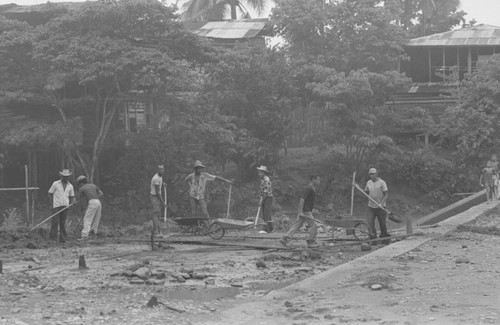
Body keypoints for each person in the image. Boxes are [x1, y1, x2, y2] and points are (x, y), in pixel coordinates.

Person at [280, 175, 321, 248]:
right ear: (313, 179)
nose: (319, 182)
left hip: (306, 210)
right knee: (313, 226)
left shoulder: (311, 189)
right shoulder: (309, 188)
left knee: (297, 225)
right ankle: (311, 241)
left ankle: (285, 239)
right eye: (318, 180)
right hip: (306, 211)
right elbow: (302, 199)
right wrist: (301, 211)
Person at [48, 169, 75, 243]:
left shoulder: (70, 186)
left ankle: (63, 239)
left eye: (67, 177)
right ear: (62, 176)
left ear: (69, 177)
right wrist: (52, 204)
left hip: (65, 206)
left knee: (62, 223)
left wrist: (73, 202)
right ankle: (52, 239)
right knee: (55, 222)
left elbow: (72, 196)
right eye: (64, 176)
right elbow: (50, 193)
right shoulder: (56, 184)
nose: (66, 178)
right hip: (56, 206)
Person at [364, 168, 390, 245]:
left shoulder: (382, 182)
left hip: (381, 207)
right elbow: (366, 191)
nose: (371, 176)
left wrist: (381, 203)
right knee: (370, 223)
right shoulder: (368, 182)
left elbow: (386, 194)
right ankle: (373, 239)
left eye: (373, 174)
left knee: (382, 223)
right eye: (370, 174)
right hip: (371, 206)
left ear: (376, 174)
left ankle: (385, 239)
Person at [76, 175, 103, 240]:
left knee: (87, 219)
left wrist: (83, 210)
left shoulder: (81, 189)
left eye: (79, 184)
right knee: (96, 219)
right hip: (98, 202)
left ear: (81, 183)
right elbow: (101, 193)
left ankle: (84, 236)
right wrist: (93, 196)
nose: (79, 185)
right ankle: (93, 234)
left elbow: (81, 200)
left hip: (92, 202)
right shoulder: (93, 185)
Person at [257, 165, 274, 233]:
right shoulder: (262, 180)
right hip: (264, 196)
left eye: (260, 173)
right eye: (258, 172)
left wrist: (261, 201)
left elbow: (266, 192)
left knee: (266, 213)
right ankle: (270, 228)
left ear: (264, 173)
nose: (259, 174)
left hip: (267, 197)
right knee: (266, 213)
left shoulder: (266, 180)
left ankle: (266, 229)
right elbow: (262, 190)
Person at [151, 165, 166, 237]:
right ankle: (155, 232)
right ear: (157, 170)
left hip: (157, 197)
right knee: (155, 214)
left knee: (158, 214)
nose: (161, 171)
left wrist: (163, 184)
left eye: (162, 169)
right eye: (160, 169)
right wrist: (163, 202)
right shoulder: (156, 178)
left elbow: (159, 184)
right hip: (155, 197)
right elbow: (157, 192)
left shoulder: (160, 177)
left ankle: (158, 231)